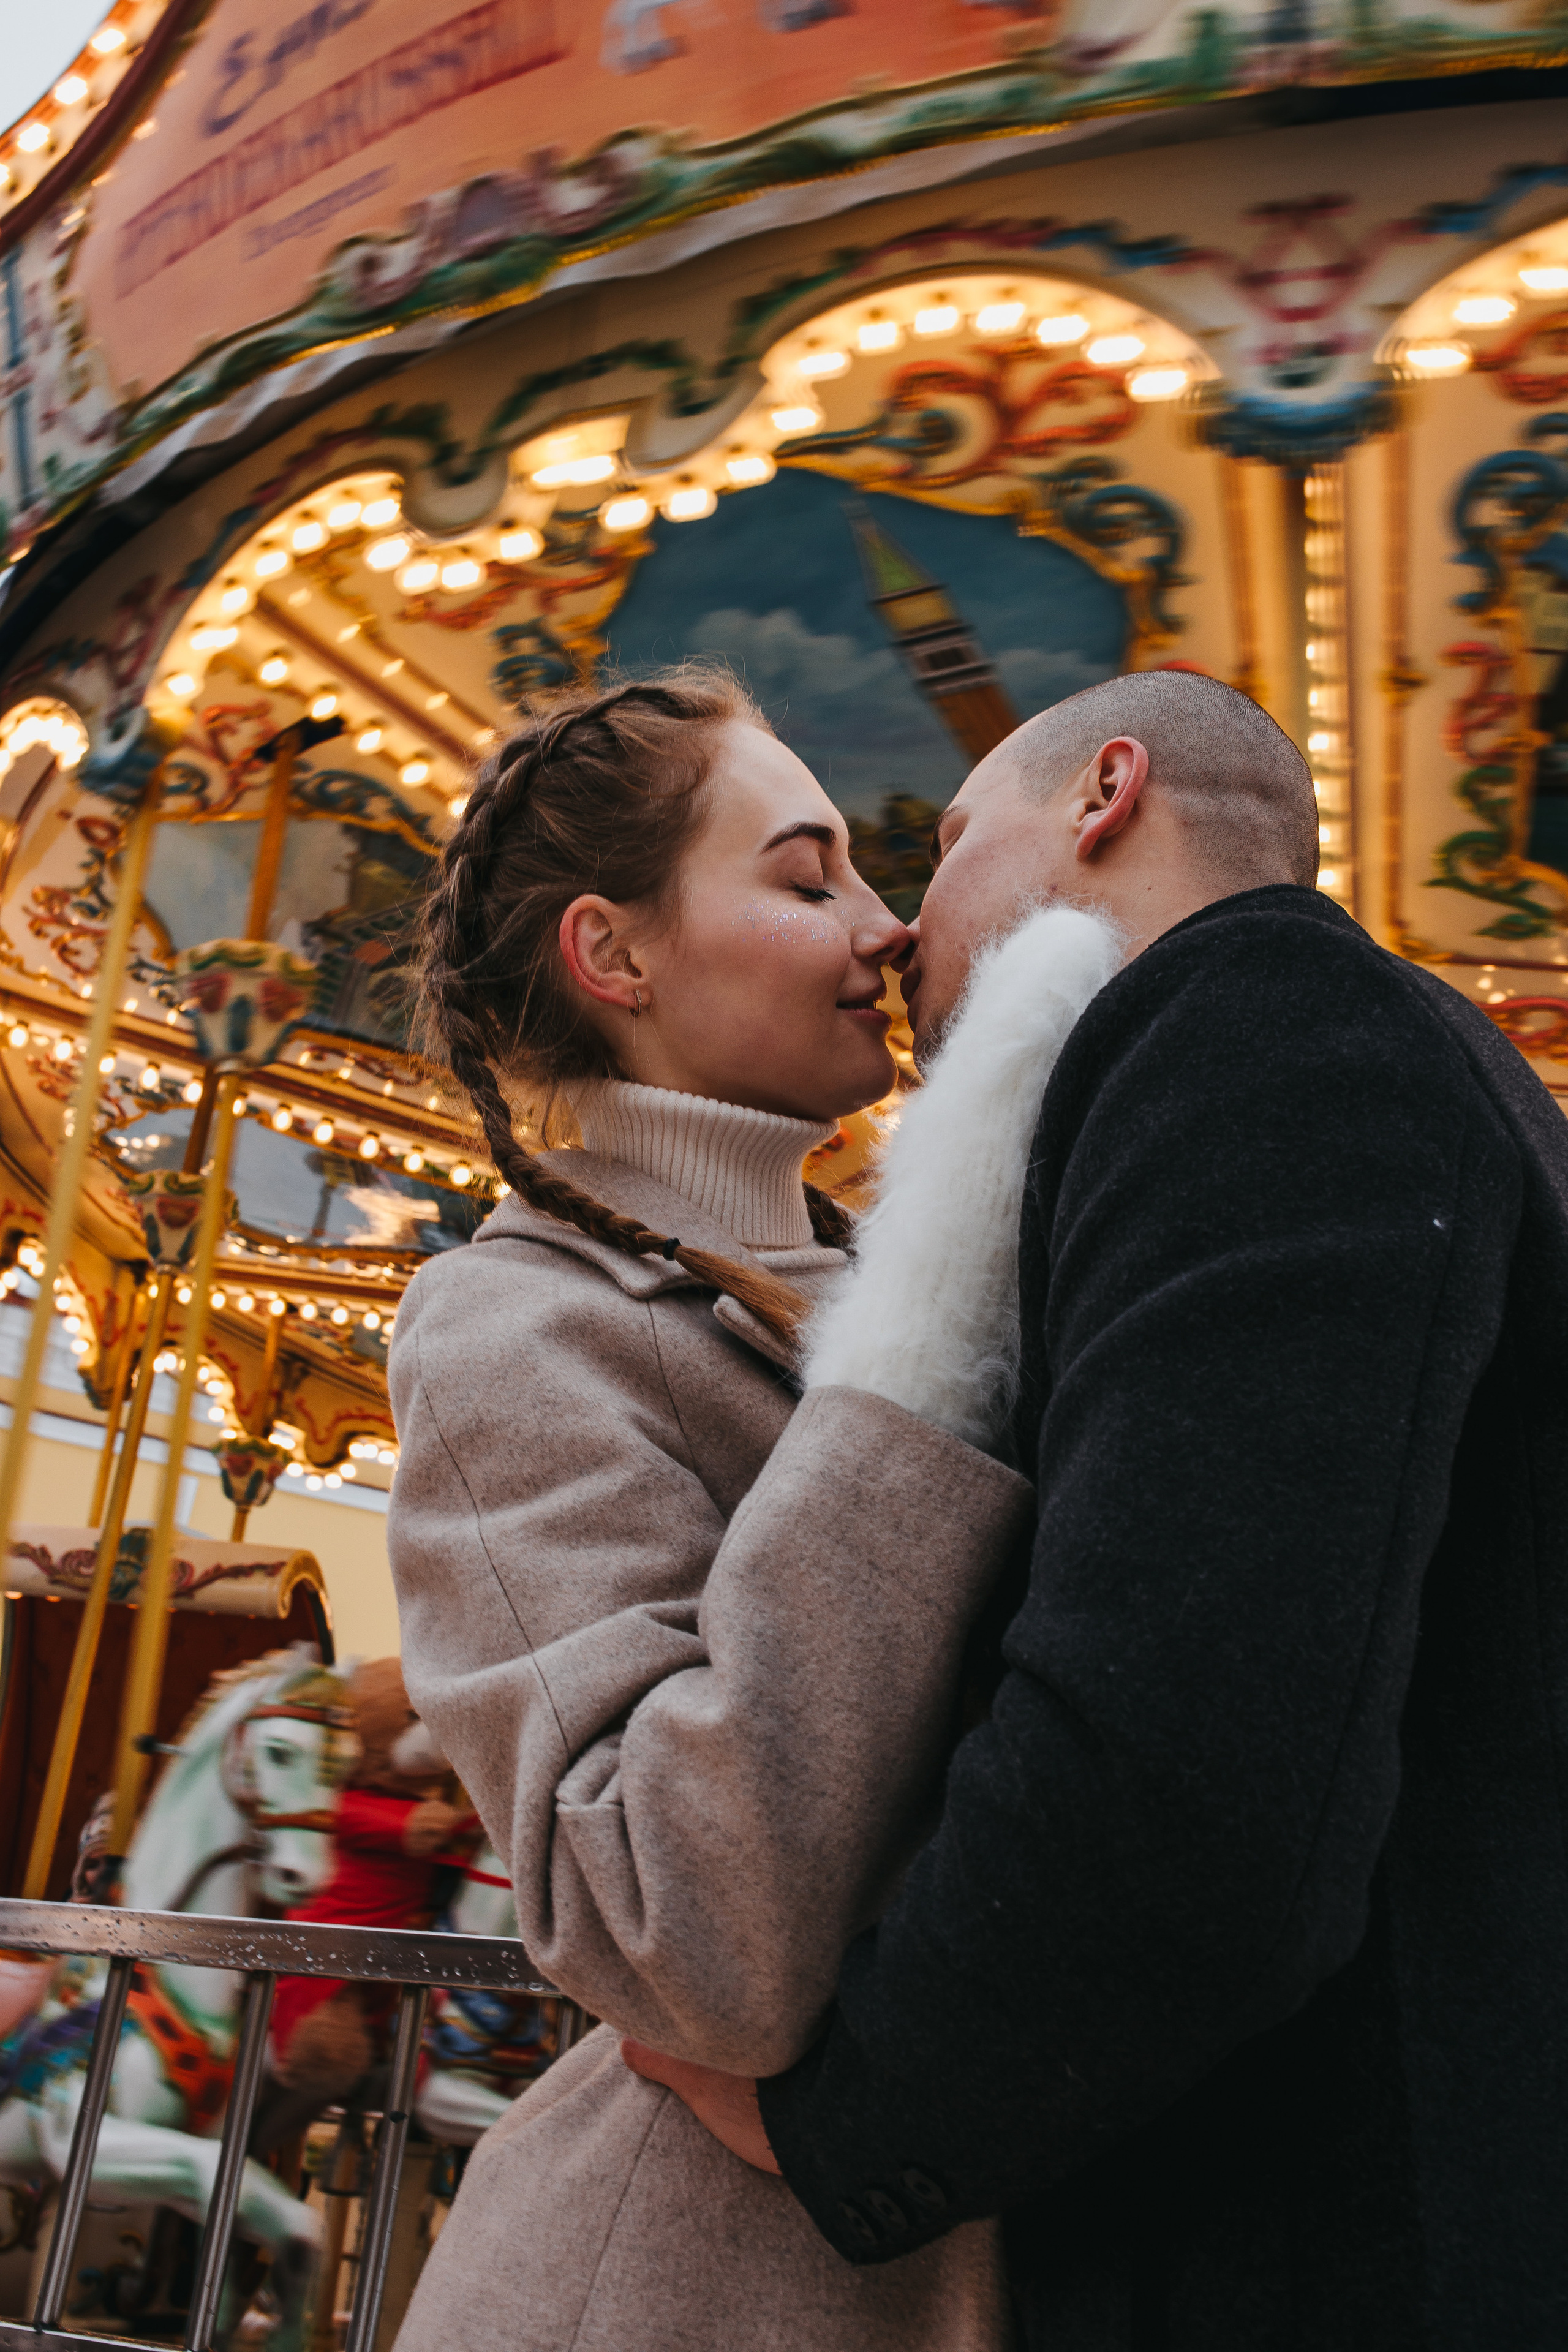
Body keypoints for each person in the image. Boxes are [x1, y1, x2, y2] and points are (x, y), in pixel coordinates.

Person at [626, 668, 1568, 2350]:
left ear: (1105, 793)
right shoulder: (1428, 1066)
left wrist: (851, 2119)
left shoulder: (1258, 1021)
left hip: (1324, 2238)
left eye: (948, 840)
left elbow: (1186, 1751)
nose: (904, 931)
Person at [385, 670, 1042, 2352]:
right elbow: (676, 1932)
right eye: (810, 877)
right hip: (689, 2291)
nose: (889, 929)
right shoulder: (514, 1326)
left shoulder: (886, 1284)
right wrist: (927, 1321)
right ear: (616, 956)